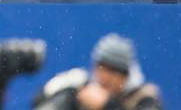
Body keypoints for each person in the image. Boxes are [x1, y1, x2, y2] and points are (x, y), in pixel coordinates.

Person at [34, 33, 163, 110]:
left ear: (125, 75)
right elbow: (37, 102)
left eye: (112, 70)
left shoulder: (144, 98)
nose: (104, 76)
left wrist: (108, 105)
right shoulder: (82, 86)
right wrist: (60, 91)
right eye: (101, 67)